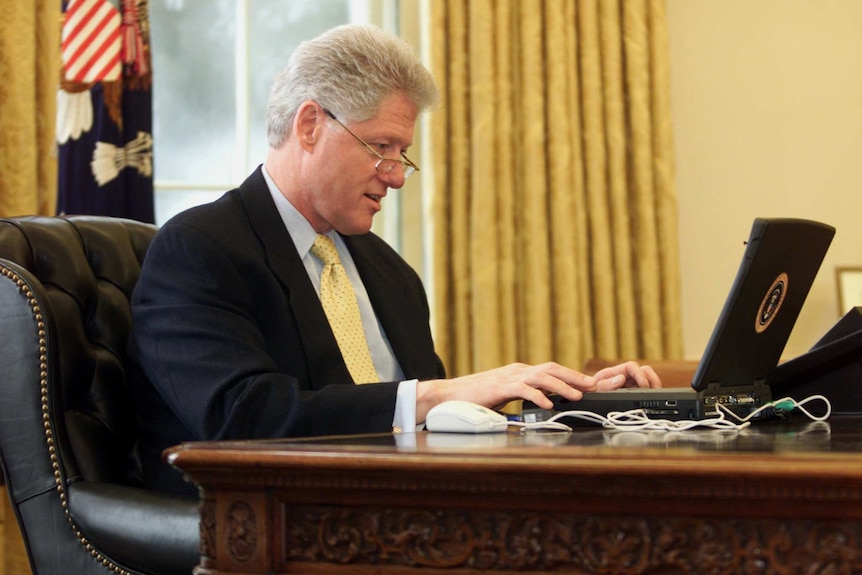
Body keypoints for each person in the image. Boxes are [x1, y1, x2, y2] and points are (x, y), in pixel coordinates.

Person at [127, 24, 661, 497]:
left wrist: (573, 406)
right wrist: (435, 395)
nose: (397, 175)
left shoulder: (388, 271)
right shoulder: (200, 248)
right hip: (276, 520)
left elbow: (432, 417)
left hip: (410, 509)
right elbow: (240, 417)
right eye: (381, 146)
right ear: (310, 124)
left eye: (402, 153)